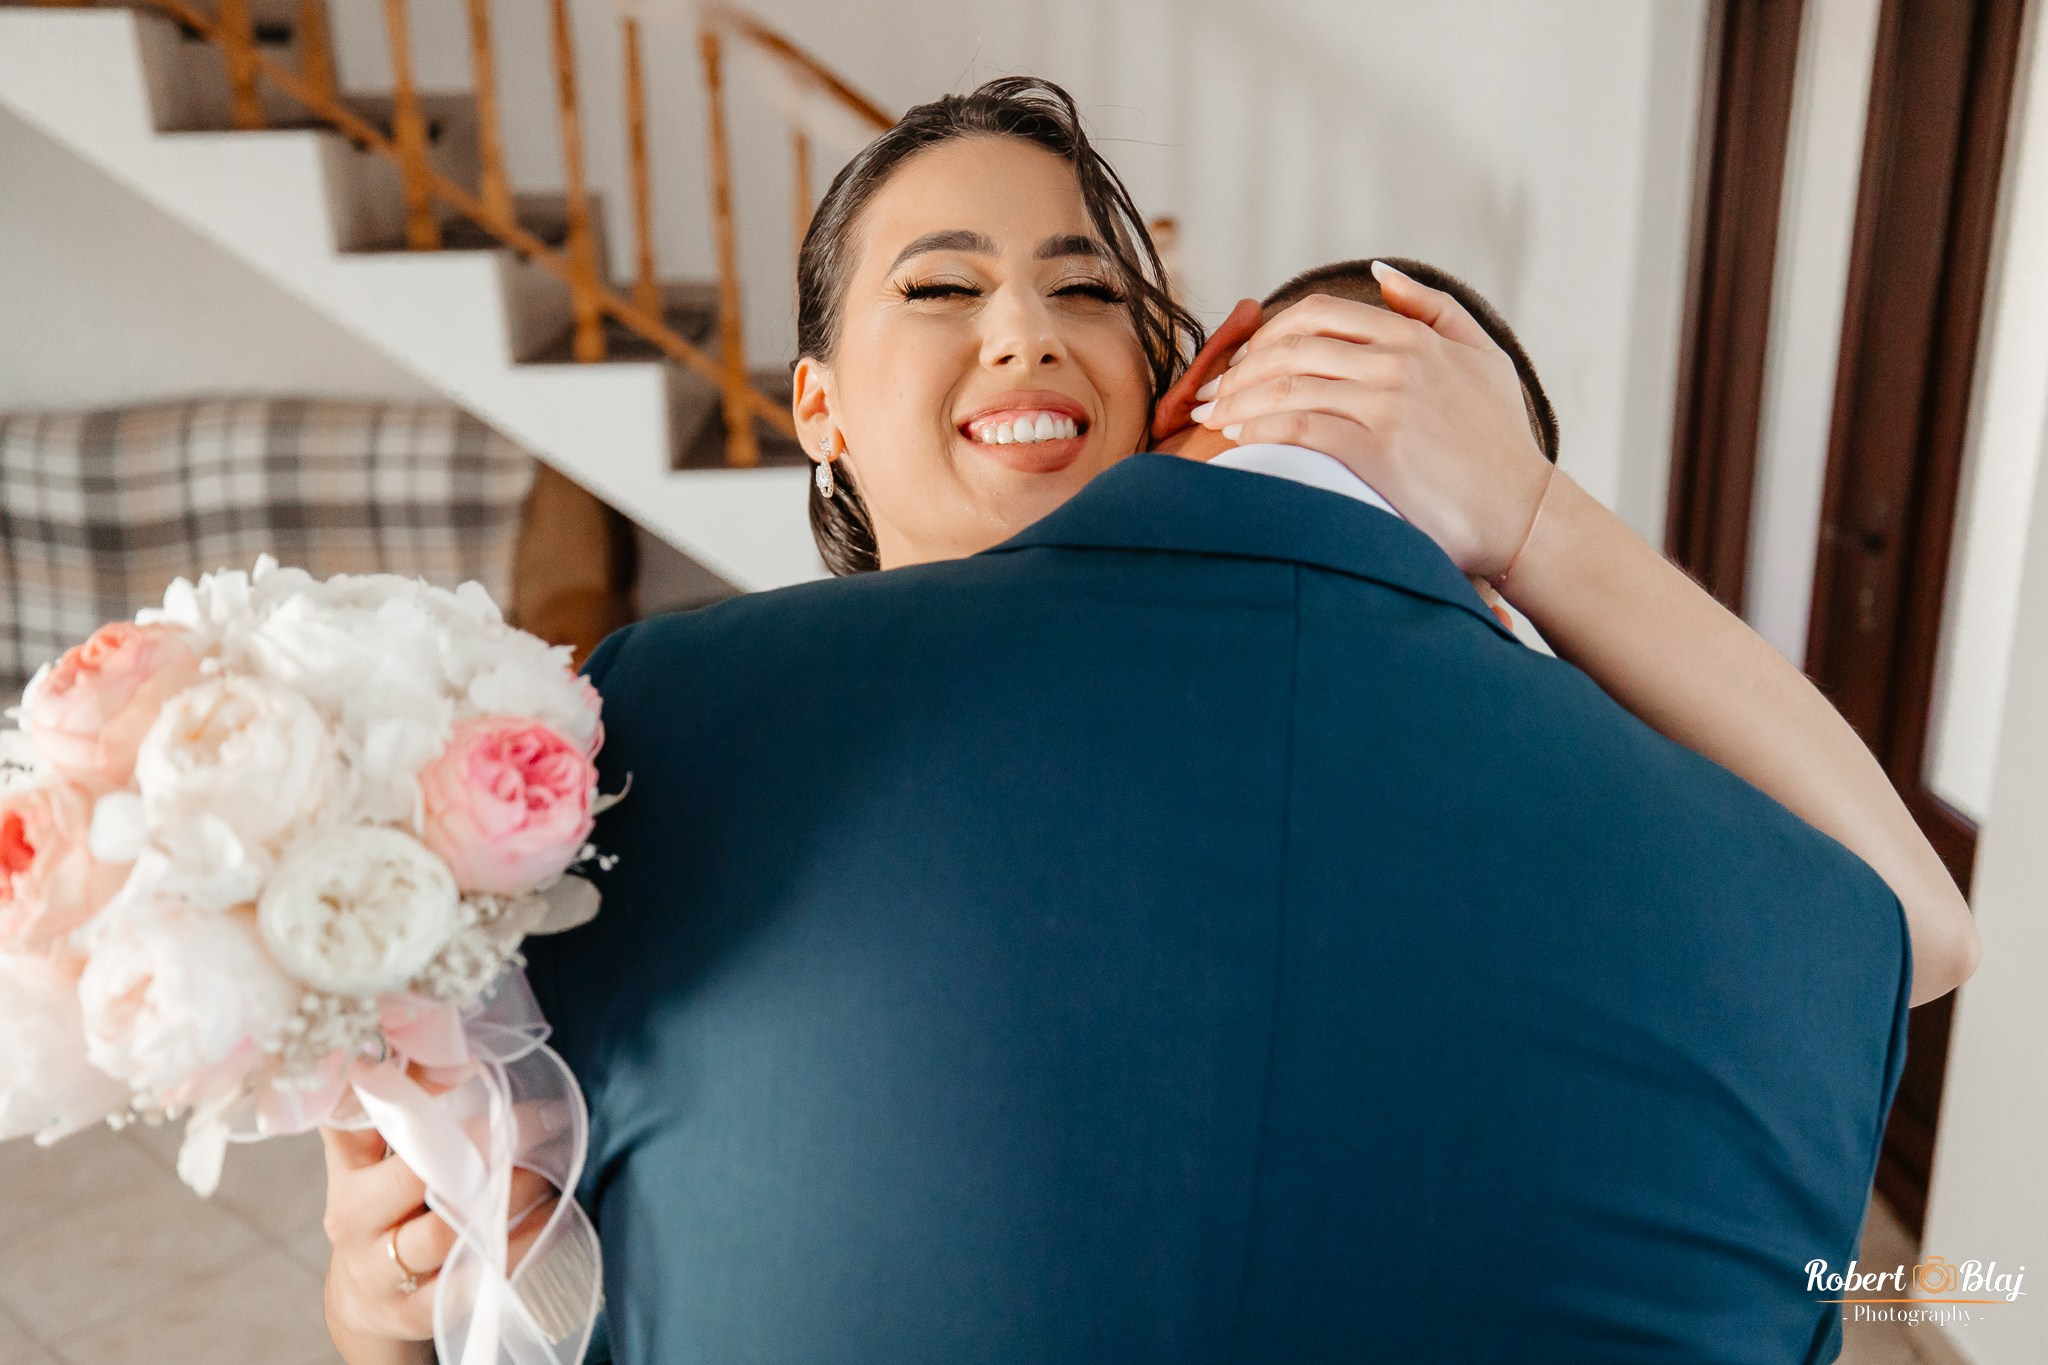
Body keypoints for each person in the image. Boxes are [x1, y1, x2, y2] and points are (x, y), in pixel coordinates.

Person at [322, 77, 1972, 1363]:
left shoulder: (669, 719)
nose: (1026, 331)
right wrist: (380, 1278)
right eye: (943, 285)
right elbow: (1895, 928)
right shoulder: (656, 757)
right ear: (812, 398)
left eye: (1088, 289)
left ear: (1184, 374)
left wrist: (1525, 512)